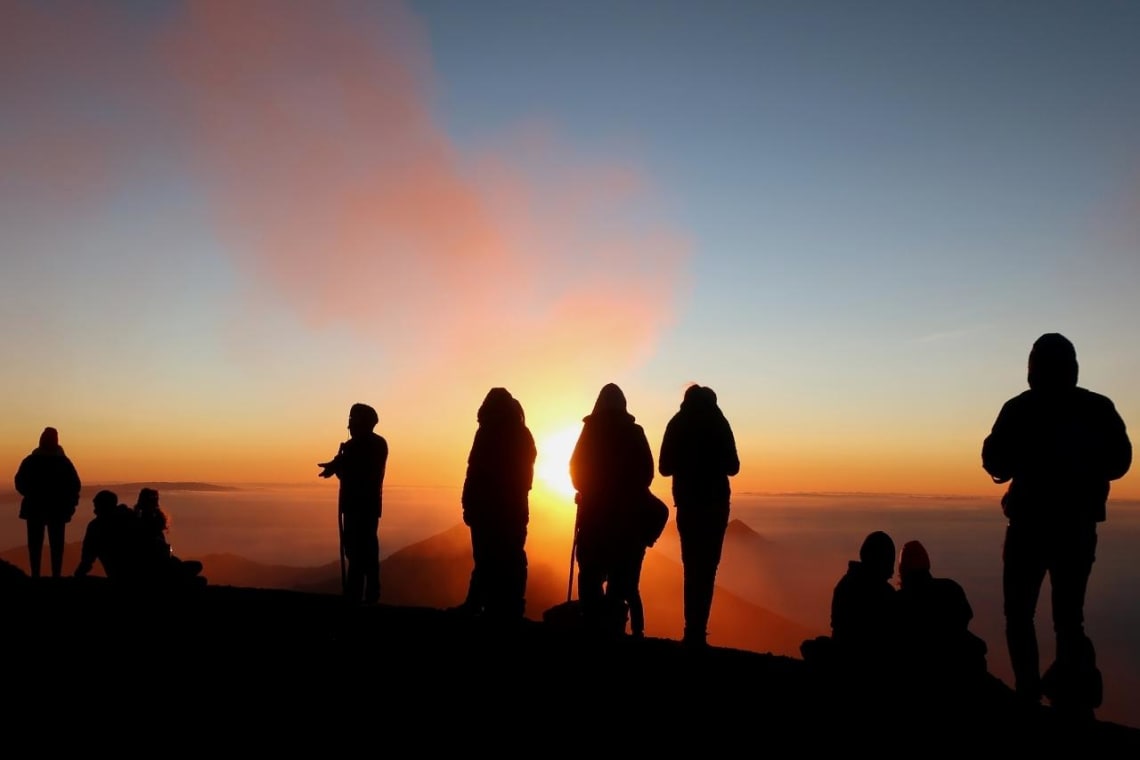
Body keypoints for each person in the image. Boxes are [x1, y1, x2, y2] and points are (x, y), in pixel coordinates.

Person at [982, 333, 1131, 715]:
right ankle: (1070, 698)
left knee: (1019, 615)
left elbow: (995, 462)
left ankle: (1028, 693)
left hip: (1028, 529)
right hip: (1077, 531)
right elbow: (1120, 462)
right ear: (1074, 368)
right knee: (1068, 618)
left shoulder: (1020, 409)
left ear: (1032, 370)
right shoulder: (1098, 408)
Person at [569, 383, 655, 636]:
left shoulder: (590, 432)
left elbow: (575, 470)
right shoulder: (635, 432)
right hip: (628, 522)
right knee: (624, 583)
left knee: (591, 576)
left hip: (594, 518)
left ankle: (593, 629)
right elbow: (647, 473)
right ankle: (627, 633)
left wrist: (590, 489)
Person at [658, 384, 740, 647]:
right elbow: (733, 467)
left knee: (691, 566)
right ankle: (698, 631)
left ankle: (690, 630)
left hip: (688, 503)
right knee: (707, 568)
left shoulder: (677, 422)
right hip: (715, 504)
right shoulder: (719, 422)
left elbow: (664, 467)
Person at [456, 388, 537, 620]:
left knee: (486, 558)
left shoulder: (486, 432)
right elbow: (525, 476)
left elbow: (474, 471)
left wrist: (469, 503)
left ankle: (481, 605)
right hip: (513, 508)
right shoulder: (521, 434)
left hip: (486, 508)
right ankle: (509, 608)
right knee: (511, 557)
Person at [895, 540, 988, 693]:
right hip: (965, 671)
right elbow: (967, 617)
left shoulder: (897, 602)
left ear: (902, 571)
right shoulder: (951, 589)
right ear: (927, 565)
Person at [319, 402, 389, 604]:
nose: (350, 426)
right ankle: (363, 594)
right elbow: (343, 463)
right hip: (362, 507)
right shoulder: (368, 445)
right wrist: (336, 464)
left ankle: (360, 596)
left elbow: (352, 470)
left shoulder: (370, 445)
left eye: (353, 421)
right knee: (359, 552)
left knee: (361, 554)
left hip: (361, 507)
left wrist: (337, 466)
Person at [14, 426, 81, 578]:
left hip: (34, 508)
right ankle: (56, 575)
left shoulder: (30, 461)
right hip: (57, 509)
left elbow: (19, 482)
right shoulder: (64, 462)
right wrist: (69, 504)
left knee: (34, 545)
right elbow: (75, 486)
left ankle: (35, 575)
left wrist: (32, 494)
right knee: (57, 545)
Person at [132, 487, 205, 586]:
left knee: (197, 568)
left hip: (165, 564)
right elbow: (155, 554)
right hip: (159, 568)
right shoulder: (144, 523)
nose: (155, 502)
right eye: (153, 499)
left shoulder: (143, 519)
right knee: (198, 574)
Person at [74, 490, 140, 580]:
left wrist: (78, 574)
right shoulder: (132, 519)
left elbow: (88, 557)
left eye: (97, 505)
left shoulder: (96, 526)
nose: (95, 509)